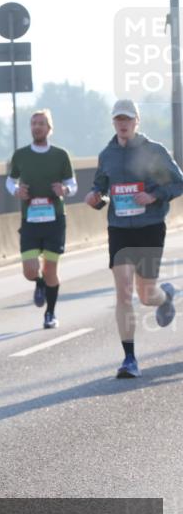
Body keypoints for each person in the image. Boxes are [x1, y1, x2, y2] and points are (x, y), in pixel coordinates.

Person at [84, 99, 179, 378]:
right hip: (120, 229)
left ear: (137, 121)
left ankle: (164, 298)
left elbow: (178, 182)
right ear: (113, 123)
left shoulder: (154, 152)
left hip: (150, 226)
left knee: (146, 294)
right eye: (118, 119)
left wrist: (153, 195)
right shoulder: (107, 155)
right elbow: (100, 189)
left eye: (127, 119)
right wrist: (95, 199)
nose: (122, 124)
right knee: (124, 291)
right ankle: (129, 359)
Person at [5, 109, 77, 329]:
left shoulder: (60, 155)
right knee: (29, 270)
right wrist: (16, 191)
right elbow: (9, 182)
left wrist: (63, 189)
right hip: (30, 220)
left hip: (54, 220)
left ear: (49, 128)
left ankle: (50, 313)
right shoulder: (21, 155)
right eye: (34, 123)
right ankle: (39, 284)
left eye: (42, 123)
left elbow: (73, 185)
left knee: (50, 270)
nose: (37, 127)